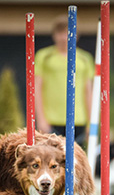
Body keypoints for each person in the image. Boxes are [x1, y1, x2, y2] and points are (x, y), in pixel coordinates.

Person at [35, 15, 95, 147]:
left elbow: (88, 92)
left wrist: (92, 123)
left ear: (77, 35)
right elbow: (36, 88)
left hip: (78, 120)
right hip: (51, 120)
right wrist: (41, 119)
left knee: (76, 162)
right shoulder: (44, 56)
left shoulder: (85, 59)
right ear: (54, 35)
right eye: (60, 33)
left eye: (68, 33)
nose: (64, 37)